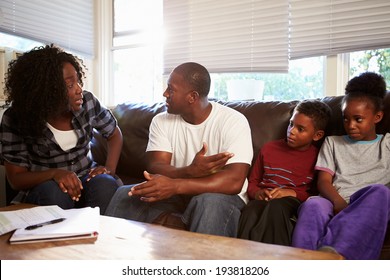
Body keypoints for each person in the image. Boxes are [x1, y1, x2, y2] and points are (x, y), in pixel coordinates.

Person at [105, 62, 253, 237]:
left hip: (220, 196)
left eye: (171, 90)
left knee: (208, 203)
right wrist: (190, 171)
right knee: (125, 194)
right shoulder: (161, 121)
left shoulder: (233, 121)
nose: (165, 94)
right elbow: (156, 166)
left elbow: (234, 181)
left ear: (192, 96)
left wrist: (176, 185)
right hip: (176, 196)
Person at [0, 45, 123, 215]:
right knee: (55, 194)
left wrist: (109, 169)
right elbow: (15, 179)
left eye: (78, 81)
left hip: (86, 176)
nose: (79, 89)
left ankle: (101, 238)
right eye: (70, 85)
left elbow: (114, 134)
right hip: (46, 186)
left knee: (105, 184)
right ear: (47, 92)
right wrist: (55, 174)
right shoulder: (16, 117)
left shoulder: (87, 102)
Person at [292, 72, 390, 259]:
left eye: (358, 119)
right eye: (346, 118)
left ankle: (335, 255)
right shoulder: (332, 142)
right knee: (313, 204)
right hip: (335, 199)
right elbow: (324, 182)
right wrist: (338, 202)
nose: (350, 125)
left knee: (381, 192)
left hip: (368, 203)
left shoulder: (386, 144)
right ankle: (302, 260)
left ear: (377, 117)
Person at [238, 100, 331, 246]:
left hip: (292, 202)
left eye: (300, 129)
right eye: (291, 124)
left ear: (317, 135)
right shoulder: (269, 149)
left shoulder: (318, 157)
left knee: (276, 207)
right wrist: (258, 193)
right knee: (251, 210)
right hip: (264, 198)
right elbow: (252, 183)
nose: (292, 131)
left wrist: (290, 193)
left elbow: (317, 194)